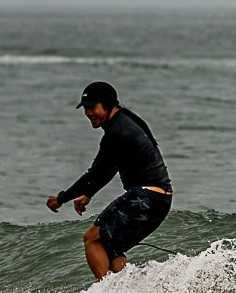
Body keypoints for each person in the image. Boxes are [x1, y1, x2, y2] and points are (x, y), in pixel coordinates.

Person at [46, 81, 174, 279]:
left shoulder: (116, 133)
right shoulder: (125, 121)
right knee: (110, 245)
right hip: (160, 198)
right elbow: (108, 169)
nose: (89, 113)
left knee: (91, 239)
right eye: (86, 108)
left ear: (108, 104)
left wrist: (61, 199)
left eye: (93, 107)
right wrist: (88, 194)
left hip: (145, 196)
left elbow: (95, 174)